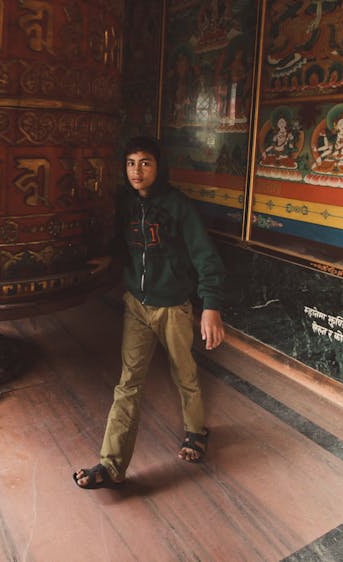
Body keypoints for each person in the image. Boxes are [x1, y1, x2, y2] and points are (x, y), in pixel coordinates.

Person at [73, 136, 226, 489]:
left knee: (184, 373)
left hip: (173, 307)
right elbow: (128, 247)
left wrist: (211, 306)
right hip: (137, 305)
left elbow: (206, 257)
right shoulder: (126, 205)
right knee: (128, 383)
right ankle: (111, 465)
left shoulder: (178, 207)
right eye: (130, 163)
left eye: (145, 163)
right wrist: (112, 259)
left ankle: (196, 432)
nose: (136, 171)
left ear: (159, 167)